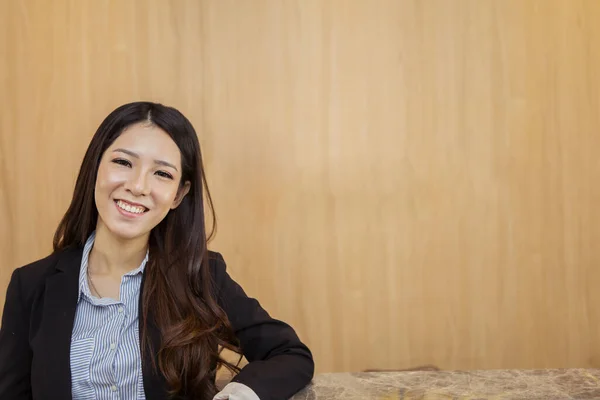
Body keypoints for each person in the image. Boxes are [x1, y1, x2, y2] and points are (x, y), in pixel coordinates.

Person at [0, 102, 314, 400]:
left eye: (162, 173)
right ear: (95, 167)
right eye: (123, 162)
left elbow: (289, 354)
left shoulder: (199, 275)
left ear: (179, 194)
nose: (138, 186)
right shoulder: (30, 286)